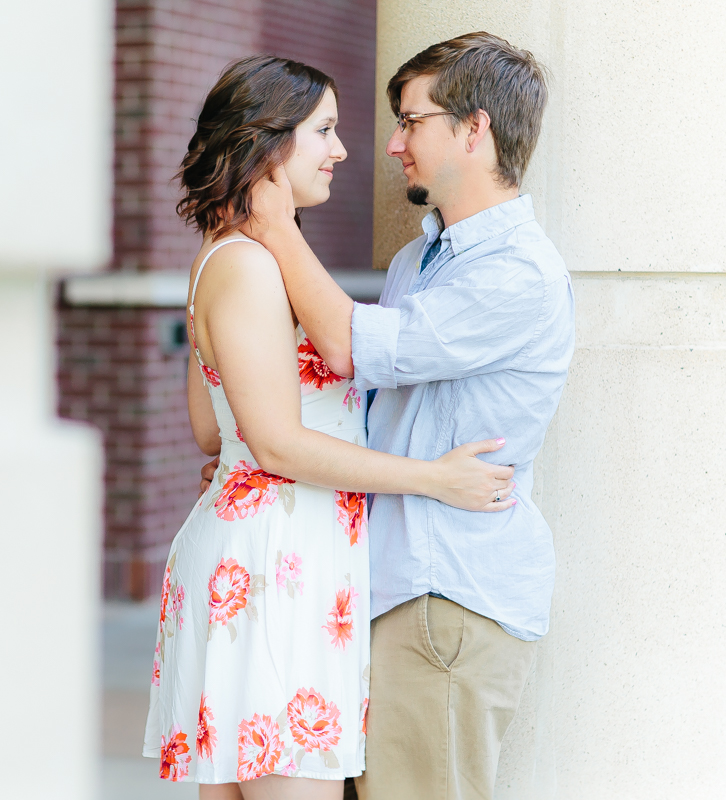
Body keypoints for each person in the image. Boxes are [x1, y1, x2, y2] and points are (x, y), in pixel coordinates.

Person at [145, 54, 519, 800]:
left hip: (270, 556)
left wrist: (257, 449)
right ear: (268, 142)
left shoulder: (227, 257)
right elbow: (275, 441)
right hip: (274, 568)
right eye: (324, 130)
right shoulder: (250, 265)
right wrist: (435, 479)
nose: (344, 149)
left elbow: (214, 432)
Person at [236, 33, 575, 800]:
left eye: (411, 121)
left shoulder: (516, 272)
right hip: (390, 582)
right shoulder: (418, 260)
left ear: (475, 129)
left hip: (445, 594)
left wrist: (275, 225)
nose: (392, 145)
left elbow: (354, 347)